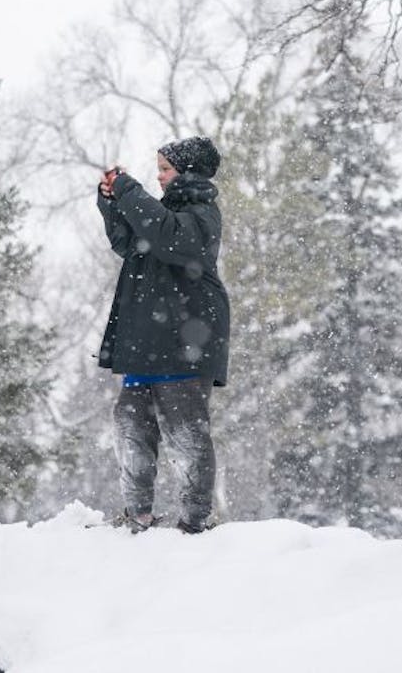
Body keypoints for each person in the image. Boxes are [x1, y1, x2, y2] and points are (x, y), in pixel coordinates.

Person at [96, 135, 230, 534]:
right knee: (131, 427)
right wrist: (111, 202)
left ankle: (194, 520)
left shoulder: (201, 213)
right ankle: (138, 513)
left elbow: (167, 237)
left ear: (186, 173)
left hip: (185, 342)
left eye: (165, 169)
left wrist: (130, 191)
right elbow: (130, 243)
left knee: (186, 431)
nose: (159, 177)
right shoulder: (159, 214)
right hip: (147, 343)